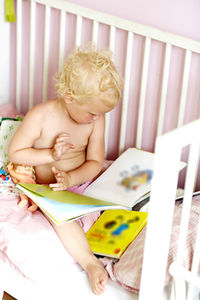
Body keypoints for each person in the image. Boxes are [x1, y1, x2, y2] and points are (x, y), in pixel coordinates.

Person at [8, 44, 123, 295]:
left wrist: (71, 176)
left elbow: (95, 161)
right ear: (70, 98)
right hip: (49, 188)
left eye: (101, 114)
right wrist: (49, 155)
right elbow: (15, 153)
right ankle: (91, 263)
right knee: (62, 216)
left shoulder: (96, 119)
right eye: (92, 113)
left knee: (123, 205)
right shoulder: (41, 116)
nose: (96, 118)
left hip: (80, 180)